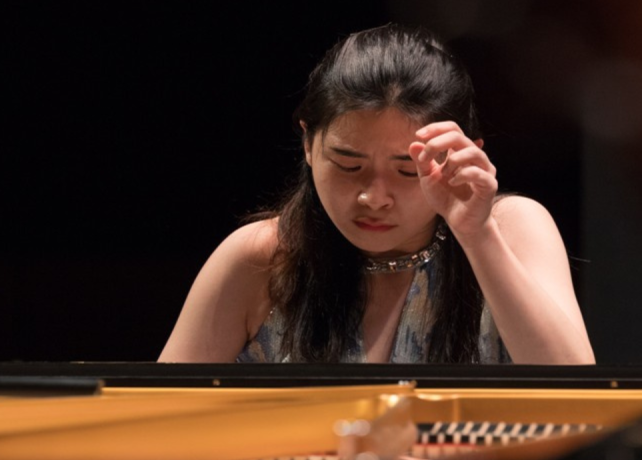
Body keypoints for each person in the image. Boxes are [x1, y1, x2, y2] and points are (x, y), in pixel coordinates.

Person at [158, 25, 593, 364]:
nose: (374, 197)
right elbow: (158, 423)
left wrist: (477, 236)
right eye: (349, 165)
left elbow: (577, 394)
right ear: (308, 144)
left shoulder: (512, 229)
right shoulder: (260, 259)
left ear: (465, 156)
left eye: (408, 170)